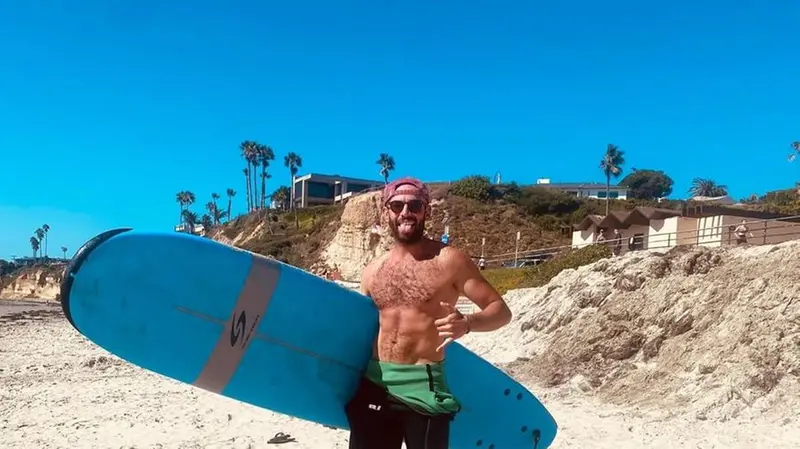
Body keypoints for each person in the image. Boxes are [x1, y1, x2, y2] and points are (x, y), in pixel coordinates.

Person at [345, 177, 512, 449]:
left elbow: (501, 312)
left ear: (427, 211)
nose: (405, 213)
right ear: (385, 212)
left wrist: (467, 323)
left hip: (424, 389)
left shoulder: (449, 260)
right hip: (374, 386)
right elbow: (360, 331)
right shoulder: (372, 271)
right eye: (396, 206)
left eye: (414, 205)